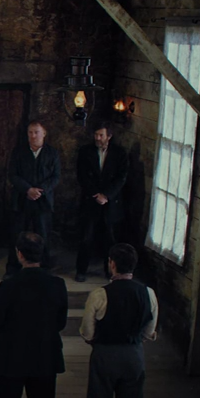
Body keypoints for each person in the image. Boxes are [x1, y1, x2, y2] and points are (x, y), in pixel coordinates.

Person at [0, 232, 68, 398]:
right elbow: (60, 322)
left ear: (19, 253)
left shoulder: (7, 286)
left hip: (10, 358)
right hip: (45, 357)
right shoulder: (57, 284)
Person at [81, 243, 159, 398]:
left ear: (112, 263)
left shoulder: (99, 294)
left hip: (105, 354)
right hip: (133, 354)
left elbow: (87, 332)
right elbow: (149, 331)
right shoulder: (148, 293)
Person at [5, 120, 60, 280]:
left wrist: (40, 190)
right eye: (30, 132)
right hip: (22, 200)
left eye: (36, 132)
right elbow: (13, 174)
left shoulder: (52, 153)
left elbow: (55, 176)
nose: (33, 136)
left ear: (44, 133)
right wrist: (28, 189)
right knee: (17, 235)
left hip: (43, 201)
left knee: (43, 234)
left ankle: (44, 268)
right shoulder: (19, 152)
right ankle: (13, 268)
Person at [75, 120, 128, 282]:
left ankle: (110, 271)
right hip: (91, 201)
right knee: (86, 238)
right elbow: (82, 175)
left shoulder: (119, 153)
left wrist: (106, 195)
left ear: (109, 136)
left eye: (101, 135)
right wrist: (95, 194)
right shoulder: (85, 151)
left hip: (110, 203)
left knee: (110, 239)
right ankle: (81, 270)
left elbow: (121, 177)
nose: (97, 138)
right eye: (96, 135)